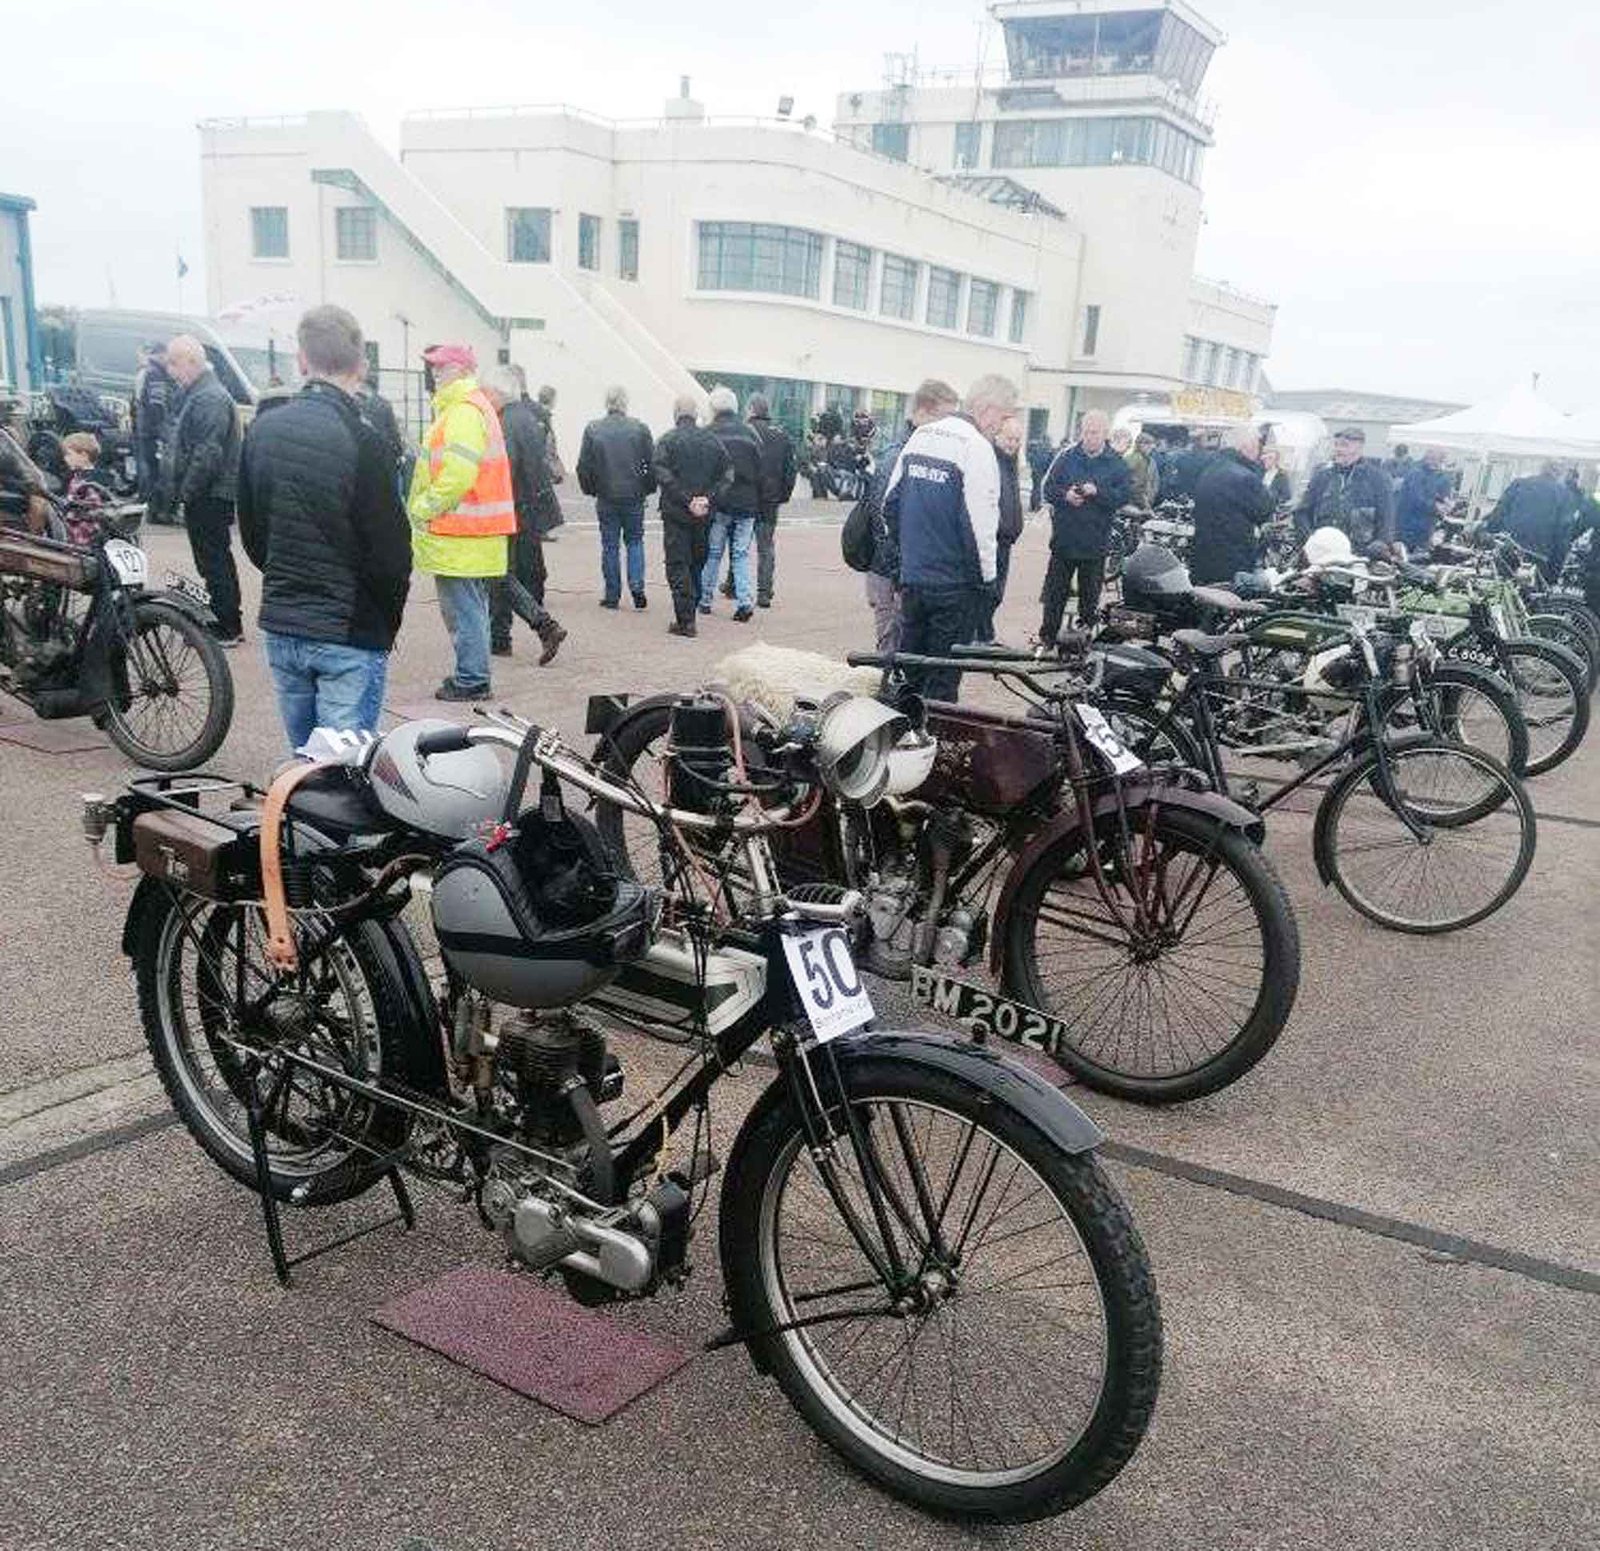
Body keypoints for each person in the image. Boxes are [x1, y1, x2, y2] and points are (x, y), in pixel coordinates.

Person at [236, 305, 412, 748]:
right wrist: (383, 624)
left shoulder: (263, 431)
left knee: (305, 768)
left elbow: (254, 532)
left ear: (301, 360)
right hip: (346, 630)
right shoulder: (365, 440)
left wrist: (288, 577)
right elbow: (391, 552)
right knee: (344, 779)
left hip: (285, 620)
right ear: (361, 365)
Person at [882, 373, 1015, 701]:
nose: (1002, 425)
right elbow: (982, 527)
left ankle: (902, 740)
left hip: (914, 581)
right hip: (953, 587)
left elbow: (890, 505)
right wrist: (987, 584)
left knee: (910, 675)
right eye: (1003, 415)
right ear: (985, 408)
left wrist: (903, 563)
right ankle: (936, 745)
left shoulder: (921, 435)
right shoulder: (976, 448)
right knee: (942, 682)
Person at [408, 343, 516, 700]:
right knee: (471, 609)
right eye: (433, 367)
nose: (435, 373)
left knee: (464, 612)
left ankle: (472, 679)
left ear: (463, 370)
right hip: (470, 534)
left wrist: (423, 506)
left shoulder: (463, 412)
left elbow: (457, 475)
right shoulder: (468, 408)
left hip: (460, 533)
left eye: (443, 367)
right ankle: (473, 675)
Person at [863, 379, 960, 655]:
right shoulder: (900, 455)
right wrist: (899, 574)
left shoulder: (922, 450)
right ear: (925, 412)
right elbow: (883, 520)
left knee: (909, 651)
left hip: (911, 573)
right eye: (945, 418)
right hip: (893, 574)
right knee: (892, 652)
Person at [479, 367, 567, 664]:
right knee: (508, 574)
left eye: (486, 393)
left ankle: (540, 625)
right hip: (528, 508)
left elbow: (506, 469)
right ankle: (502, 636)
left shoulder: (504, 423)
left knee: (499, 574)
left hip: (510, 508)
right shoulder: (529, 417)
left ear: (497, 394)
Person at [163, 334, 245, 644]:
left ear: (192, 361)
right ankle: (226, 619)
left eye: (174, 362)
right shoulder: (204, 394)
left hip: (210, 493)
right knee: (214, 558)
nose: (171, 370)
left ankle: (226, 624)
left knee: (213, 560)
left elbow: (207, 453)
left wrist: (186, 492)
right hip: (210, 490)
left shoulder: (208, 397)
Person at [1038, 408, 1130, 641]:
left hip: (1095, 542)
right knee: (1055, 594)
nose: (1089, 437)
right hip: (1064, 540)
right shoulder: (1066, 457)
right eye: (1086, 432)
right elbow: (1048, 489)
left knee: (1089, 597)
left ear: (1105, 434)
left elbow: (1123, 497)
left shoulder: (1117, 463)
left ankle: (1084, 638)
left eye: (1095, 433)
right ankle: (1047, 637)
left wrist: (1098, 492)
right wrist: (1065, 495)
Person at [652, 396, 731, 637]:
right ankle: (691, 610)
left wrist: (686, 499)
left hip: (677, 512)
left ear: (676, 414)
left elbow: (661, 473)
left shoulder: (667, 440)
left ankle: (685, 619)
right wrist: (707, 498)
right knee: (698, 561)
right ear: (696, 414)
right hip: (704, 513)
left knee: (678, 564)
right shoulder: (713, 441)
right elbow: (727, 474)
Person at [576, 385, 656, 610]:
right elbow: (651, 464)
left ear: (607, 403)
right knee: (635, 540)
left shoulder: (593, 429)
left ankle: (612, 594)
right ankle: (637, 586)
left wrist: (592, 489)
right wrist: (646, 488)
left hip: (607, 494)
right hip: (633, 494)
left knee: (610, 545)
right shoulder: (640, 429)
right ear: (625, 403)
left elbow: (584, 466)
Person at [698, 385, 762, 622]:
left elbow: (705, 470)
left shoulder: (709, 433)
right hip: (747, 503)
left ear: (714, 408)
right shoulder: (750, 434)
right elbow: (759, 470)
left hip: (720, 502)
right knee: (741, 553)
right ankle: (745, 601)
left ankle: (704, 599)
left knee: (714, 552)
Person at [1188, 424, 1277, 586]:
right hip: (1232, 560)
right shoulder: (1245, 477)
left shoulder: (1210, 469)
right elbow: (1265, 509)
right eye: (1257, 446)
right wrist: (1257, 470)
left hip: (1202, 554)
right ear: (1245, 446)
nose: (1259, 453)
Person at [1294, 427, 1395, 548]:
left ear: (1359, 447)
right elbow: (1302, 512)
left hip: (1361, 553)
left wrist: (1381, 542)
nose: (1338, 449)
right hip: (1323, 550)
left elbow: (1387, 516)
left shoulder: (1378, 478)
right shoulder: (1322, 476)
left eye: (1344, 445)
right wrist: (1311, 539)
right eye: (1336, 445)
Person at [976, 411, 1026, 641]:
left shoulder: (1010, 463)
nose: (1013, 444)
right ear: (997, 436)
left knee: (996, 593)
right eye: (1009, 438)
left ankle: (984, 634)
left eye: (1017, 440)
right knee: (988, 591)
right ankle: (981, 636)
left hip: (1005, 540)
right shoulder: (989, 460)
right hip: (991, 539)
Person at [745, 393, 797, 609]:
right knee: (765, 546)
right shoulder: (781, 437)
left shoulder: (746, 433)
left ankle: (732, 583)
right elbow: (790, 471)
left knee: (740, 544)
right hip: (770, 499)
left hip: (747, 498)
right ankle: (764, 591)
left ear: (751, 410)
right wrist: (782, 495)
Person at [1486, 461, 1576, 581]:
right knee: (1528, 596)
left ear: (1541, 469)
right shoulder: (1565, 495)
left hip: (1509, 548)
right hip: (1539, 556)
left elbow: (1496, 517)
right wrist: (1556, 570)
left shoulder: (1519, 484)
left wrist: (1489, 534)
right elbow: (1563, 536)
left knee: (1500, 586)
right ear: (1560, 474)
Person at [131, 342, 171, 506]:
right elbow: (157, 404)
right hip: (151, 428)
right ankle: (152, 502)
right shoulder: (156, 374)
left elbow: (137, 400)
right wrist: (162, 429)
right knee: (152, 467)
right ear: (161, 355)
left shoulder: (146, 372)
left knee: (144, 463)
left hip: (143, 425)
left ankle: (144, 497)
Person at [1395, 447, 1452, 554]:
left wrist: (1446, 504)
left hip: (1425, 529)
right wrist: (1436, 507)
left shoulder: (1443, 477)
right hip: (1408, 528)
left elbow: (1444, 497)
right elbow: (1415, 498)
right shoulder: (1415, 473)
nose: (1435, 460)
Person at [59, 432, 112, 544]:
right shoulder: (102, 476)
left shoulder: (83, 481)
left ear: (83, 455)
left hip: (85, 525)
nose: (65, 459)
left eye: (68, 454)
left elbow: (84, 505)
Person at [1124, 429, 1160, 510]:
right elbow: (1136, 485)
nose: (1151, 447)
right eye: (1148, 444)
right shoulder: (1136, 459)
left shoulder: (1148, 460)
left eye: (1151, 444)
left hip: (1140, 501)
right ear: (1140, 444)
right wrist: (1145, 504)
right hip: (1134, 503)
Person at [1025, 431, 1054, 512]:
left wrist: (1032, 466)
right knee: (1039, 489)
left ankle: (1032, 506)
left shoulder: (1037, 447)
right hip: (1042, 472)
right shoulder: (1048, 449)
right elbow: (1051, 463)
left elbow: (1031, 457)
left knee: (1035, 488)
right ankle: (1037, 506)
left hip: (1035, 471)